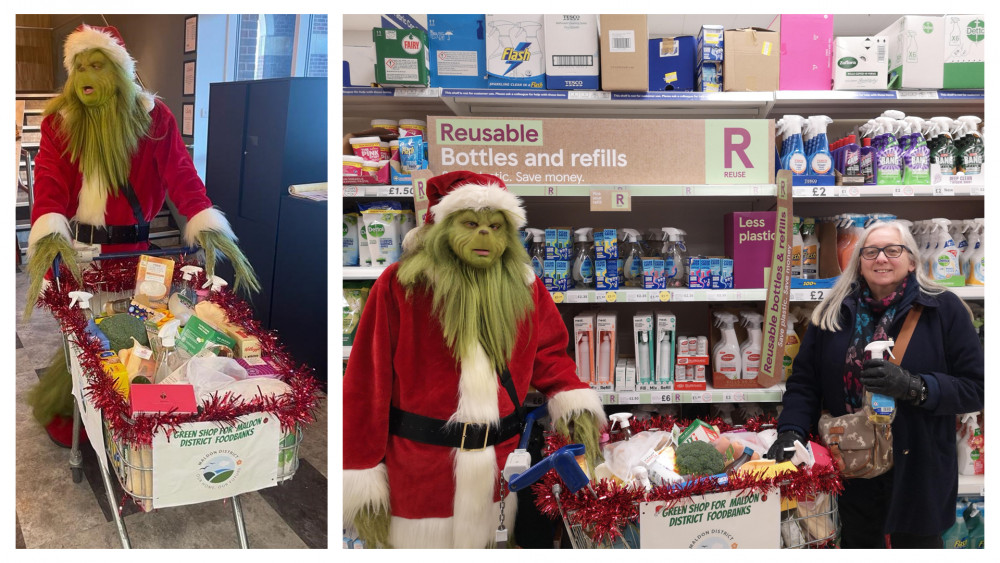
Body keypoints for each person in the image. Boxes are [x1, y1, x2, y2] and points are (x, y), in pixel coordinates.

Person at [343, 171, 605, 548]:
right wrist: (362, 473)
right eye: (471, 223)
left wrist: (575, 407)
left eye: (496, 226)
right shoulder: (402, 285)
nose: (485, 234)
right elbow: (368, 381)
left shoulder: (527, 287)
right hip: (422, 471)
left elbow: (551, 356)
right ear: (443, 226)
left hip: (500, 470)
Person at [24, 24, 259, 446]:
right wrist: (48, 229)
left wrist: (203, 220)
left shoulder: (154, 117)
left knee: (136, 327)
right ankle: (76, 405)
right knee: (87, 334)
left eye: (96, 66)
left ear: (116, 70)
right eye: (78, 68)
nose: (85, 77)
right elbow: (50, 180)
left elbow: (181, 175)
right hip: (82, 248)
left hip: (135, 248)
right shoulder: (60, 122)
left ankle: (130, 410)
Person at [768, 220, 984, 548]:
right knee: (858, 543)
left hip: (918, 467)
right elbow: (805, 384)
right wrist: (792, 430)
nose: (881, 258)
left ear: (912, 260)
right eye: (871, 252)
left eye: (892, 250)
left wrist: (916, 386)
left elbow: (977, 387)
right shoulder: (832, 313)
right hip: (851, 464)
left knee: (918, 545)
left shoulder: (943, 310)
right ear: (859, 262)